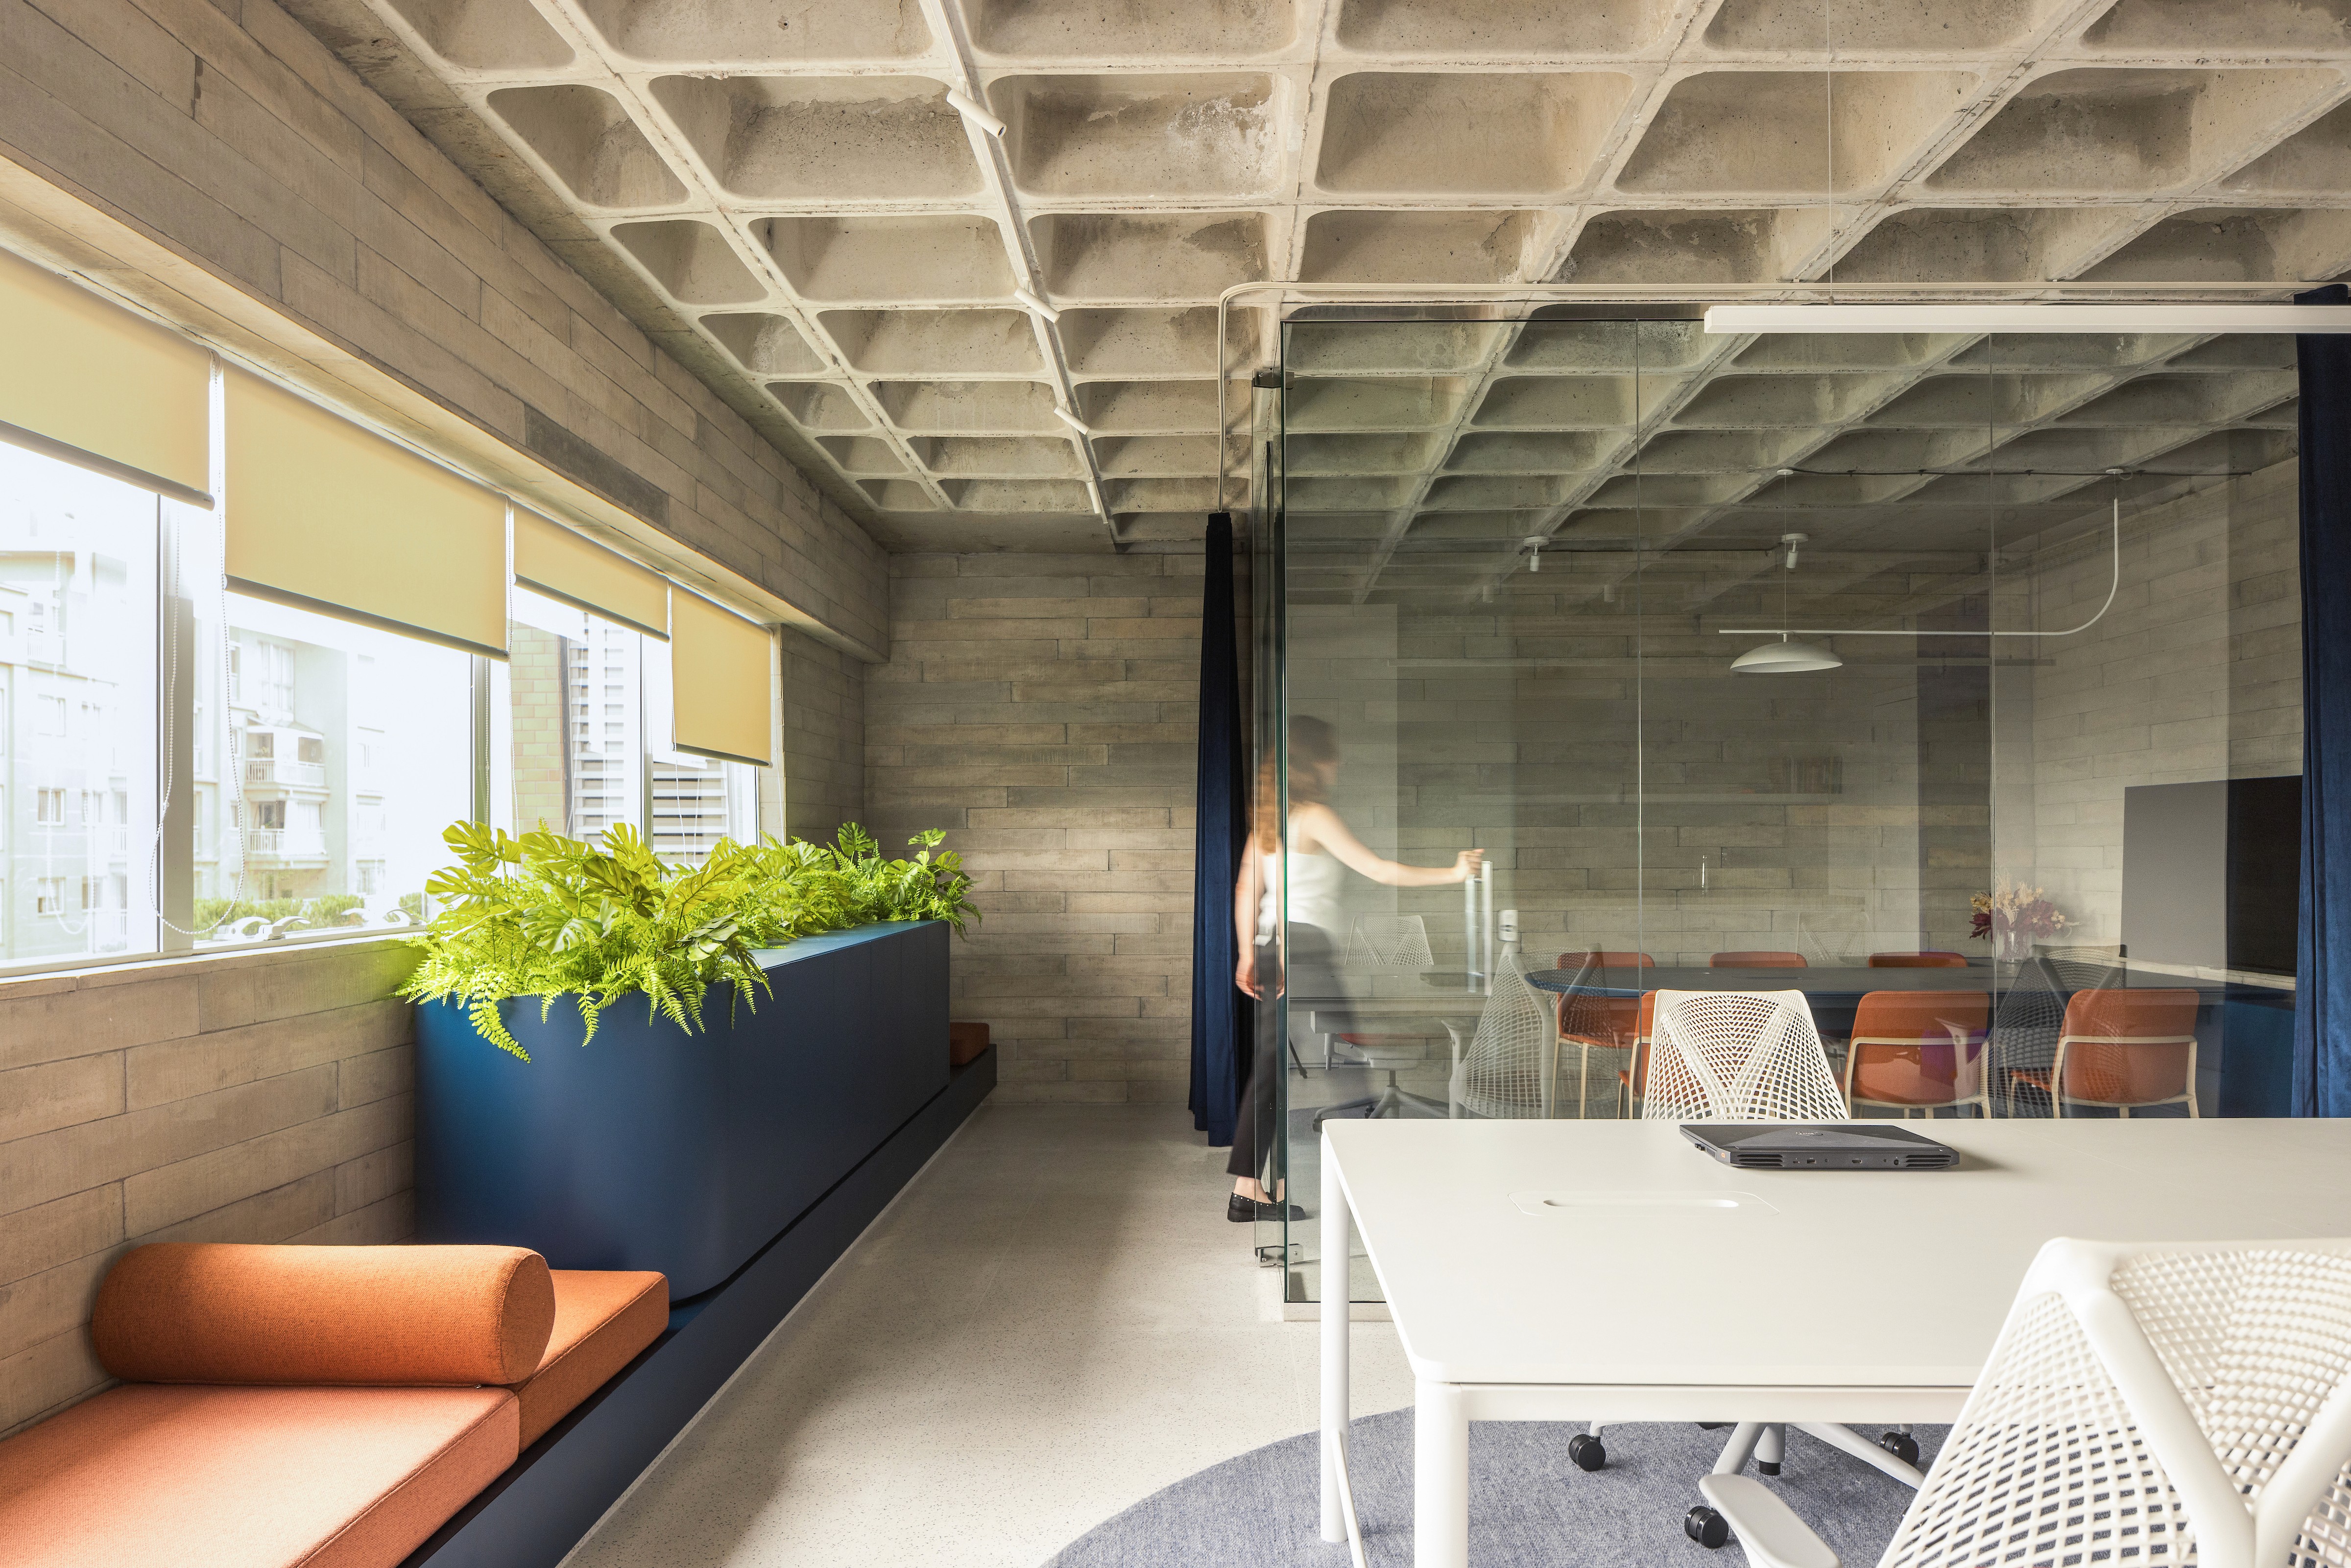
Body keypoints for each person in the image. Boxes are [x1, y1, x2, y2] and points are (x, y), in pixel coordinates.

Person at [1226, 716, 1484, 1222]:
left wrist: (1247, 953)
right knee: (1349, 1074)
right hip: (1304, 948)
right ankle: (1371, 1181)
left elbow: (1245, 890)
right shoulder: (1315, 816)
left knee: (1273, 1069)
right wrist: (1454, 874)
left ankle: (1248, 1189)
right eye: (1332, 754)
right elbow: (1378, 869)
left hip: (1272, 945)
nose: (1337, 764)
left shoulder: (1270, 820)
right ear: (1315, 761)